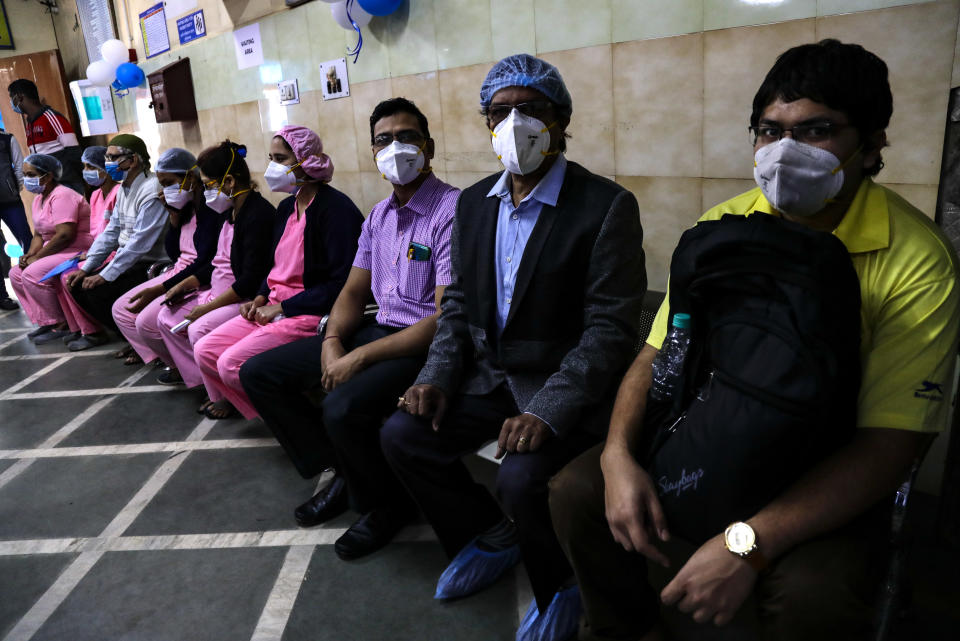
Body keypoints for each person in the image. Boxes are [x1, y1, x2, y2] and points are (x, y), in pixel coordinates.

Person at [549, 39, 960, 641]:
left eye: (816, 130)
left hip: (820, 468)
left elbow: (892, 444)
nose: (785, 152)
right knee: (574, 490)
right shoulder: (718, 232)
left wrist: (748, 543)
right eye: (768, 131)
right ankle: (626, 629)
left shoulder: (915, 262)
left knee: (815, 596)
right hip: (704, 434)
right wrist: (616, 457)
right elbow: (658, 354)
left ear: (872, 144)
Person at [379, 53, 646, 639]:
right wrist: (435, 377)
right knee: (402, 435)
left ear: (561, 119)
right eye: (501, 112)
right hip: (488, 377)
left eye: (532, 110)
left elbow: (610, 330)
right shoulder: (475, 203)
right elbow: (458, 308)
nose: (516, 123)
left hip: (558, 387)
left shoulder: (604, 207)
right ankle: (488, 534)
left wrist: (546, 412)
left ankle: (561, 583)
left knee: (522, 479)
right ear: (486, 124)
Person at [239, 98, 459, 559]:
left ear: (429, 148)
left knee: (341, 406)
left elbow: (446, 318)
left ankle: (385, 506)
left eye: (407, 138)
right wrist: (334, 340)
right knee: (260, 373)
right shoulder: (378, 216)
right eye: (384, 140)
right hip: (371, 330)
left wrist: (358, 356)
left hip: (419, 346)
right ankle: (345, 471)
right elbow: (353, 293)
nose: (395, 148)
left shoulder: (452, 211)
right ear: (374, 152)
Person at [193, 127, 363, 419]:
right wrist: (260, 297)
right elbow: (274, 267)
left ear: (307, 161)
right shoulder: (286, 208)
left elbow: (341, 284)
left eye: (281, 159)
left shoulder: (336, 210)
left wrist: (283, 306)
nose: (272, 167)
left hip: (307, 314)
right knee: (205, 350)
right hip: (273, 308)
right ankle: (276, 415)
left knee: (232, 364)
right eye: (271, 158)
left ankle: (300, 422)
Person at [153, 140, 274, 390]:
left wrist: (207, 309)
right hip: (217, 290)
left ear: (229, 182)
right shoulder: (229, 212)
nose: (205, 192)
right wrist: (185, 285)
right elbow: (215, 263)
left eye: (208, 185)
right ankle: (197, 379)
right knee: (166, 316)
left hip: (241, 296)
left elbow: (249, 280)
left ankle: (221, 395)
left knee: (198, 329)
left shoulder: (257, 215)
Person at [111, 148, 222, 367]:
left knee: (148, 322)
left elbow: (205, 260)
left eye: (170, 182)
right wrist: (174, 217)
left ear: (190, 177)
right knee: (121, 309)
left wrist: (163, 288)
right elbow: (175, 253)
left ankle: (185, 368)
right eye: (162, 184)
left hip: (197, 276)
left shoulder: (210, 208)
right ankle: (165, 359)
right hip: (179, 269)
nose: (165, 189)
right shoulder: (185, 207)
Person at [65, 134, 167, 351]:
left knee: (98, 290)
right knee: (77, 285)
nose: (108, 164)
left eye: (114, 158)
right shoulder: (123, 188)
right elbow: (112, 231)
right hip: (128, 259)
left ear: (134, 160)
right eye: (107, 158)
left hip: (150, 262)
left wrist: (105, 275)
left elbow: (140, 243)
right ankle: (131, 340)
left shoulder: (151, 189)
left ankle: (145, 347)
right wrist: (90, 267)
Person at [8, 154, 93, 343]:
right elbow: (39, 234)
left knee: (32, 273)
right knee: (16, 273)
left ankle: (61, 322)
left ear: (47, 176)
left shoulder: (63, 195)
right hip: (55, 249)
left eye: (31, 174)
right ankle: (46, 321)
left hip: (75, 249)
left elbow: (64, 235)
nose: (27, 179)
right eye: (25, 174)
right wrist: (30, 254)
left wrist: (38, 258)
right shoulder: (39, 199)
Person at [55, 146, 122, 345]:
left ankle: (93, 331)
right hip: (97, 250)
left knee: (70, 278)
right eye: (84, 166)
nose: (86, 172)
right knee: (62, 274)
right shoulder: (94, 195)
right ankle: (80, 327)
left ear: (105, 168)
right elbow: (96, 231)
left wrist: (95, 253)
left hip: (114, 252)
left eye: (90, 166)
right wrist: (89, 252)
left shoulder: (119, 192)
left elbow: (115, 234)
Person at [8, 79, 84, 193]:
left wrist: (80, 183)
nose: (11, 103)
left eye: (11, 97)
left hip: (66, 185)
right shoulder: (30, 124)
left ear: (19, 97)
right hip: (47, 187)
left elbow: (74, 152)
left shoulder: (52, 117)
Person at [0, 117, 29, 310]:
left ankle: (33, 284)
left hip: (11, 201)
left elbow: (19, 167)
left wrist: (14, 189)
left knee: (26, 239)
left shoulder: (6, 139)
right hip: (10, 198)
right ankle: (2, 296)